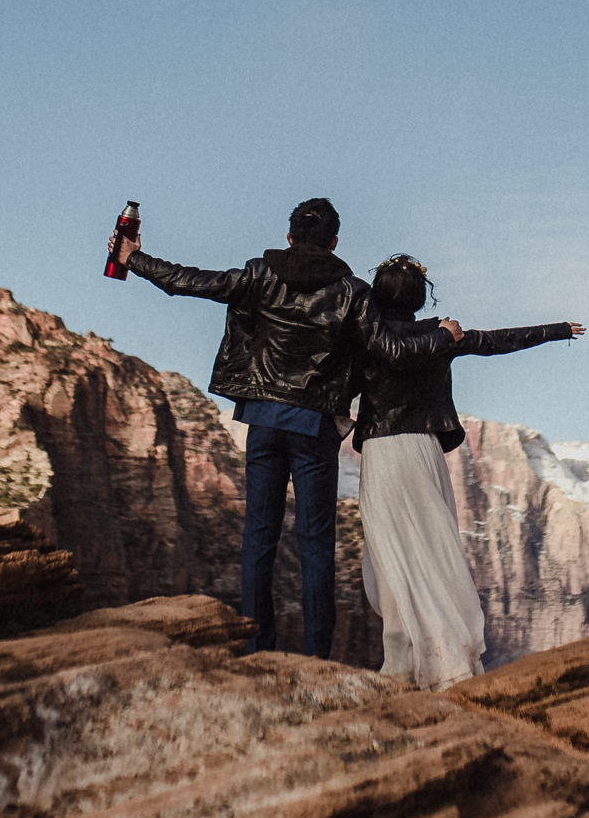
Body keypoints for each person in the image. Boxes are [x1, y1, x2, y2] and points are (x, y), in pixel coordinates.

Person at [117, 198, 458, 657]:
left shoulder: (260, 274)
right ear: (334, 242)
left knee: (259, 536)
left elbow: (189, 282)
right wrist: (443, 337)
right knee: (316, 543)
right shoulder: (351, 291)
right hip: (314, 427)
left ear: (289, 236)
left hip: (264, 419)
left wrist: (132, 258)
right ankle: (317, 655)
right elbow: (389, 350)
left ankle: (258, 645)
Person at [351, 253, 583, 688]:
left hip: (381, 451)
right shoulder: (439, 335)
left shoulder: (368, 337)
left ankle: (398, 658)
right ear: (419, 299)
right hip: (423, 449)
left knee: (389, 552)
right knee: (432, 548)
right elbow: (497, 341)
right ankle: (442, 655)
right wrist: (557, 330)